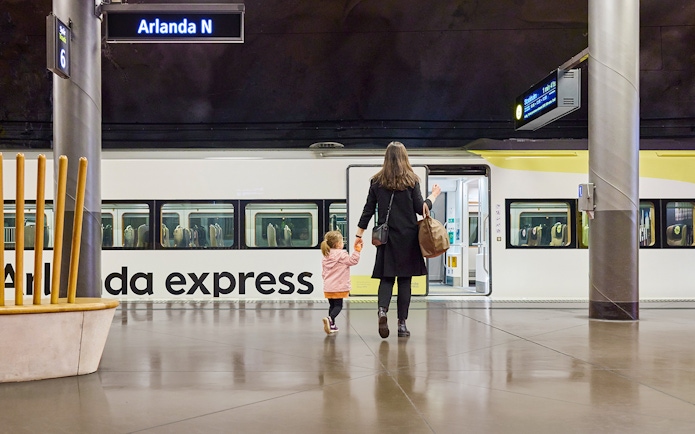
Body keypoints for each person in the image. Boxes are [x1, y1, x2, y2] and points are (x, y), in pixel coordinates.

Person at [355, 141, 441, 338]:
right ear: (405, 157)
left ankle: (382, 310)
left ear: (386, 158)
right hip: (408, 238)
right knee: (405, 281)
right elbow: (421, 209)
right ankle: (402, 324)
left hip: (386, 238)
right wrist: (433, 195)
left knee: (386, 279)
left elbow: (368, 210)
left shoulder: (377, 182)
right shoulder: (412, 180)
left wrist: (359, 235)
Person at [321, 230, 363, 334]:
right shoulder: (341, 254)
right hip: (339, 286)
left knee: (332, 305)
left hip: (328, 286)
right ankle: (330, 318)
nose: (343, 243)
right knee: (338, 306)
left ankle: (332, 325)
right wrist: (357, 251)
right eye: (342, 241)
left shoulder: (326, 255)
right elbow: (353, 261)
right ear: (337, 244)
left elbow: (323, 272)